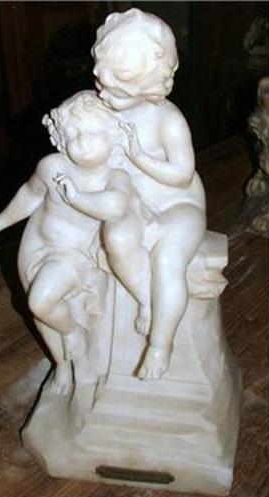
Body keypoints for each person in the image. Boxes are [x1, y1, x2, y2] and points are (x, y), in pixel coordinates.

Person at [0, 91, 140, 394]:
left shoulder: (115, 176)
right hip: (37, 246)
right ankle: (62, 365)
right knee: (38, 311)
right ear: (59, 137)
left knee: (40, 301)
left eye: (92, 133)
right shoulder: (52, 166)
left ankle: (71, 331)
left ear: (113, 136)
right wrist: (4, 219)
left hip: (74, 256)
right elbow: (31, 193)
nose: (81, 142)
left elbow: (115, 206)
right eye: (73, 134)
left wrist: (77, 198)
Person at [92, 8, 207, 380]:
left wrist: (138, 156)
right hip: (134, 205)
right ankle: (146, 299)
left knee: (168, 259)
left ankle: (161, 344)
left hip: (178, 206)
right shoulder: (105, 111)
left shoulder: (167, 120)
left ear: (152, 83)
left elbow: (181, 174)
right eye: (101, 84)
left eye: (118, 91)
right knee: (116, 239)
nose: (105, 95)